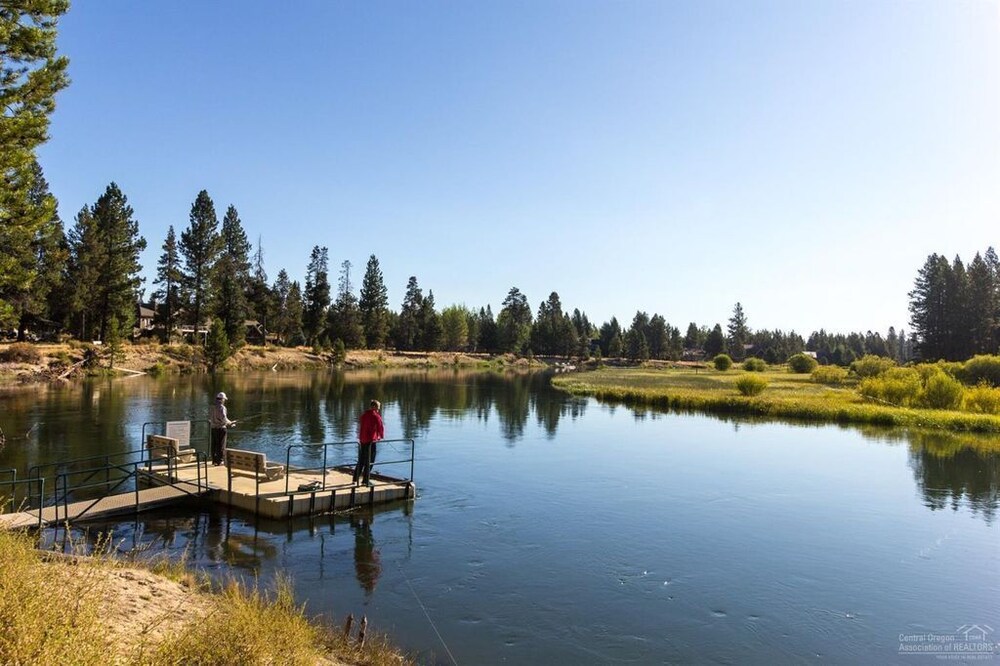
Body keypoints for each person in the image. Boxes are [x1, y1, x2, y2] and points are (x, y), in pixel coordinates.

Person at [353, 399, 384, 486]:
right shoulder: (376, 416)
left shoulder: (364, 415)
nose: (378, 410)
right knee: (370, 460)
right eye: (378, 408)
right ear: (374, 407)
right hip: (370, 441)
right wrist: (381, 436)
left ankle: (355, 477)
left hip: (362, 440)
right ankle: (365, 480)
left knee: (362, 459)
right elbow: (380, 427)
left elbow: (362, 425)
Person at [209, 391, 236, 465]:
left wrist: (229, 422)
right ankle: (220, 461)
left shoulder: (212, 407)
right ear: (222, 399)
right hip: (221, 429)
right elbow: (223, 418)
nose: (224, 401)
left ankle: (214, 460)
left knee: (214, 445)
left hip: (213, 428)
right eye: (224, 399)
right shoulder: (222, 407)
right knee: (221, 445)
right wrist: (230, 423)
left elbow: (211, 418)